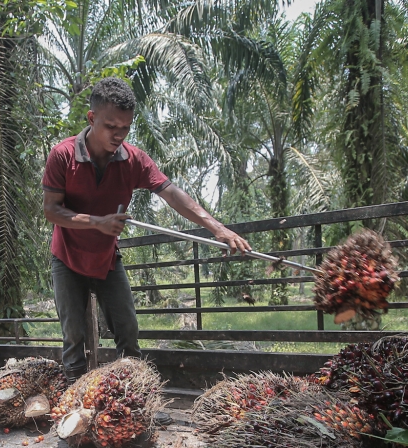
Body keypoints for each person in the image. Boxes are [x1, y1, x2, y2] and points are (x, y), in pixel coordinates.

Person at [42, 77, 252, 383]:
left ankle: (135, 399)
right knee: (74, 335)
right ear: (91, 118)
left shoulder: (134, 159)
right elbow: (52, 210)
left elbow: (170, 193)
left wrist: (216, 228)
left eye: (125, 128)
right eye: (111, 126)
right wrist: (97, 222)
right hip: (68, 257)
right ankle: (74, 403)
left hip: (105, 259)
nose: (118, 135)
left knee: (127, 329)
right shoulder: (62, 155)